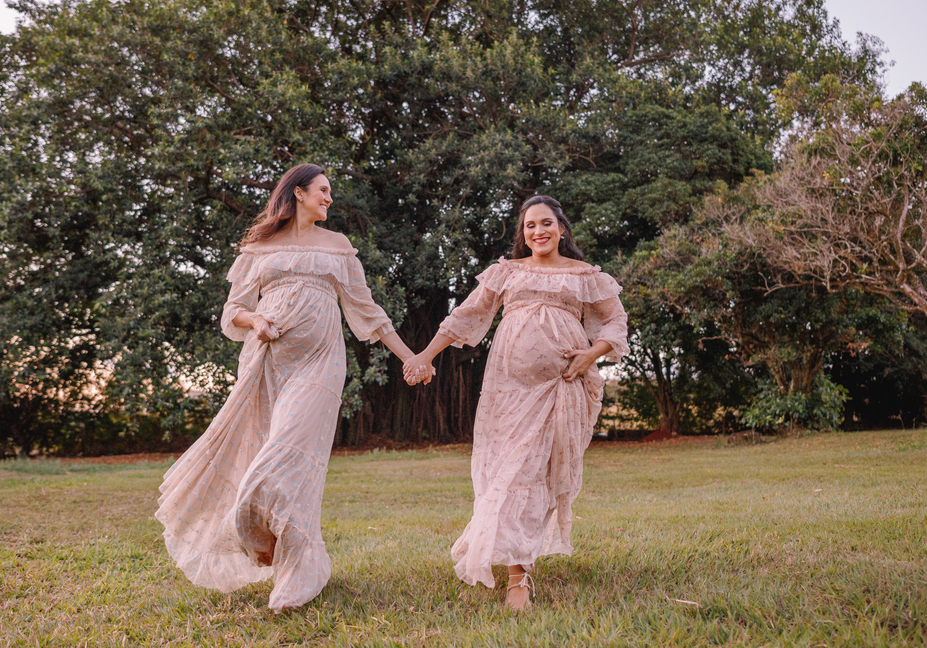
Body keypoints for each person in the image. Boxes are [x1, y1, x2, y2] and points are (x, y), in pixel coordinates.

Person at [156, 163, 429, 612]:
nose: (329, 199)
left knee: (286, 455)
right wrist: (257, 320)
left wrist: (410, 357)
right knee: (271, 454)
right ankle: (289, 559)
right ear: (298, 193)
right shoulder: (260, 247)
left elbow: (368, 311)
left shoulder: (338, 247)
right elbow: (233, 313)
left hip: (320, 364)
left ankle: (287, 560)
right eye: (323, 191)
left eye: (330, 193)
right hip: (267, 365)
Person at [404, 195, 628, 610]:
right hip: (508, 389)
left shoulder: (585, 276)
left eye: (546, 224)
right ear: (522, 235)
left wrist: (590, 354)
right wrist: (425, 355)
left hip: (562, 384)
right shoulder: (505, 273)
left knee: (535, 473)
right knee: (507, 472)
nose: (538, 232)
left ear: (561, 229)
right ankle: (515, 565)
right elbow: (465, 317)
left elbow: (615, 321)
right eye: (529, 226)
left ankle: (519, 580)